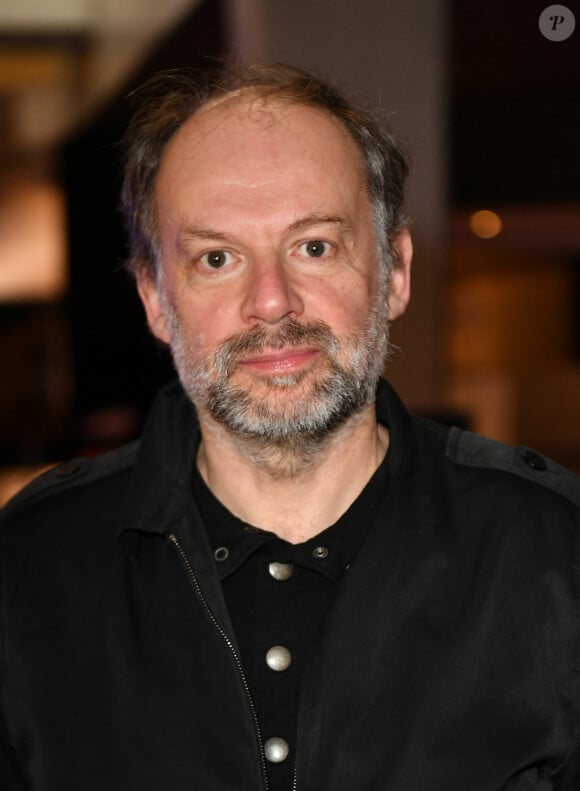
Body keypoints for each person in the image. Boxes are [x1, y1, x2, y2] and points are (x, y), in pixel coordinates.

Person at [1, 63, 579, 791]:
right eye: (217, 258)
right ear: (155, 300)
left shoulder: (556, 553)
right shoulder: (29, 570)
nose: (271, 302)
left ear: (395, 270)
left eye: (314, 246)